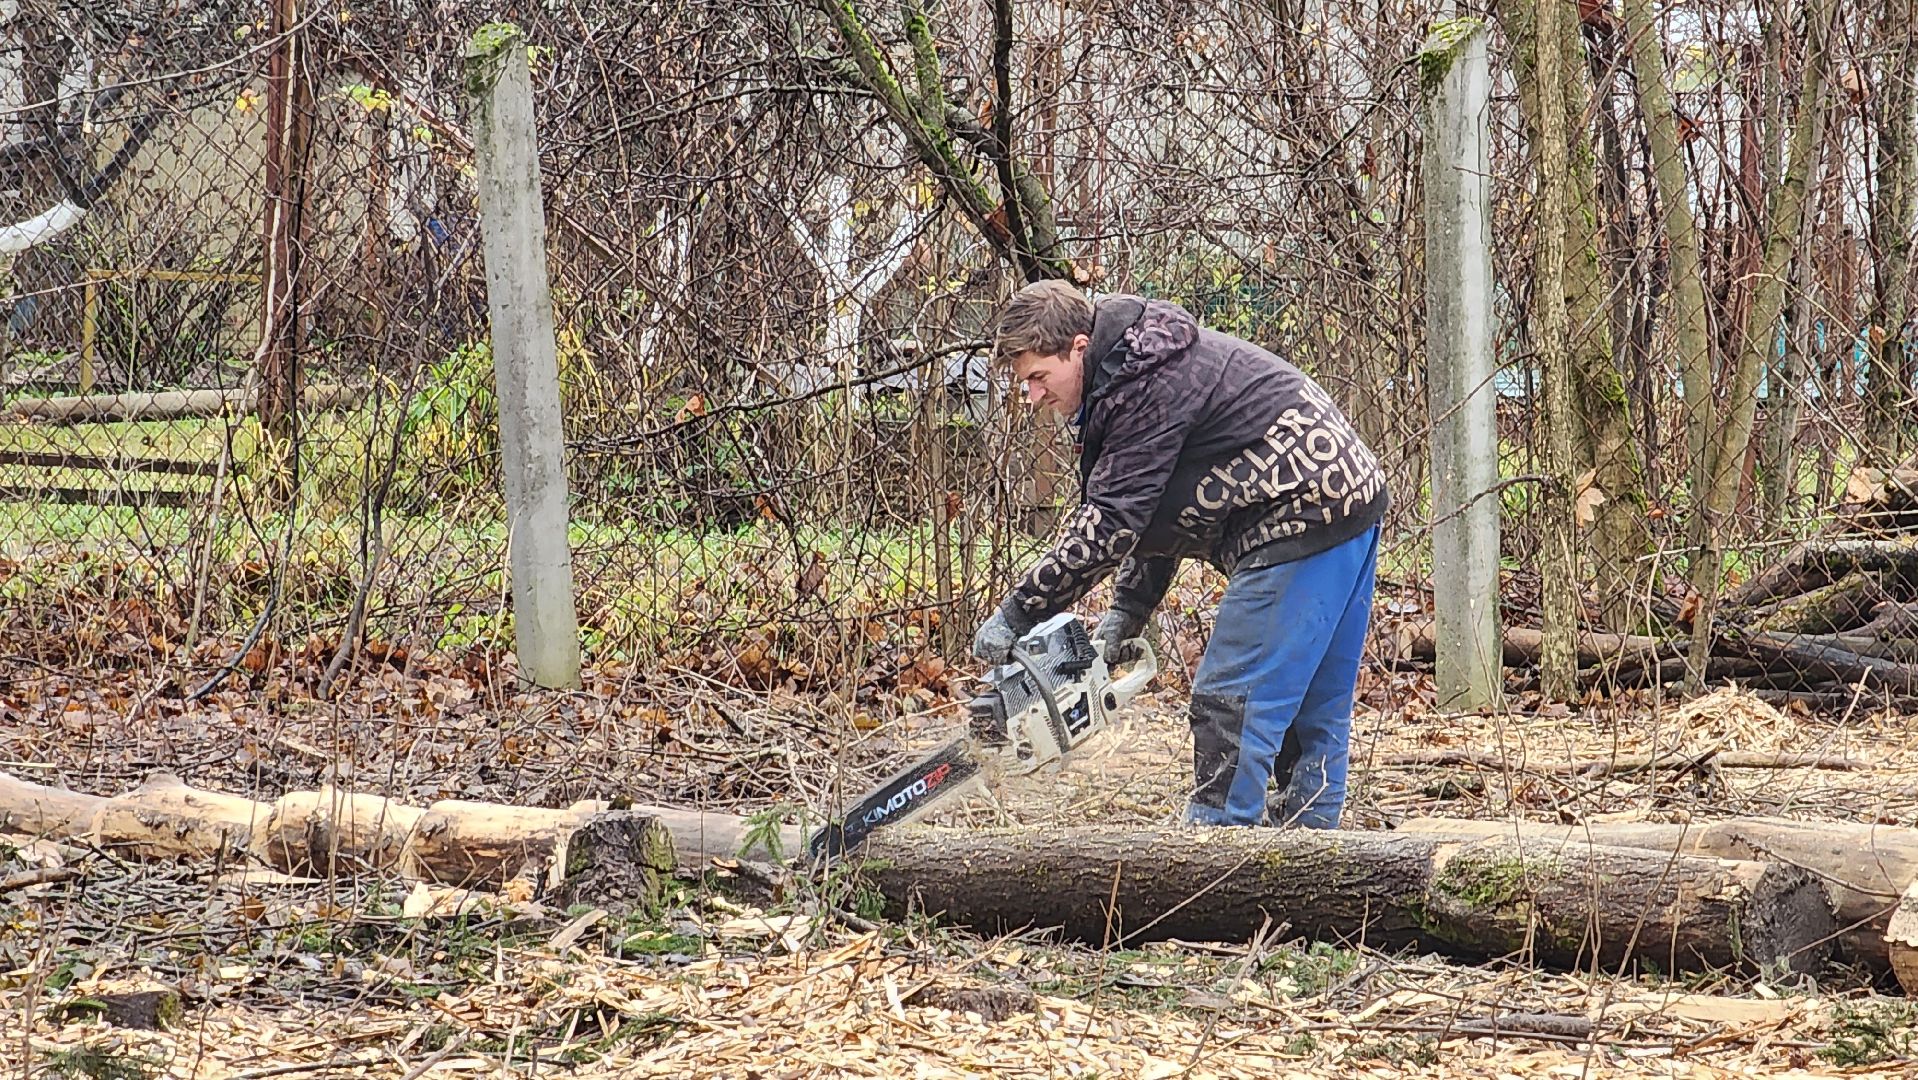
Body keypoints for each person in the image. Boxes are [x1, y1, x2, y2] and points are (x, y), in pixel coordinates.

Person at [972, 279, 1389, 829]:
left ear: (1077, 347)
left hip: (1298, 513)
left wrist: (1019, 612)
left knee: (1230, 702)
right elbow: (1157, 507)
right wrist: (1129, 611)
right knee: (1311, 715)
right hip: (1348, 497)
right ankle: (1314, 866)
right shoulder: (1138, 368)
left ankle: (1212, 856)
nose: (1033, 395)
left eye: (1037, 378)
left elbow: (1113, 523)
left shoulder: (1143, 384)